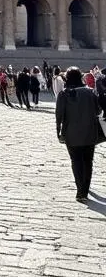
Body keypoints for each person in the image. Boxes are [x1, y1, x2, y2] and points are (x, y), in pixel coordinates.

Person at [56, 66, 101, 203]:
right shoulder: (90, 92)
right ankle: (84, 191)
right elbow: (98, 110)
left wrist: (58, 131)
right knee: (88, 161)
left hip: (71, 133)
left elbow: (59, 115)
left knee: (76, 161)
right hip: (89, 132)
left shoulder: (64, 94)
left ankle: (80, 191)